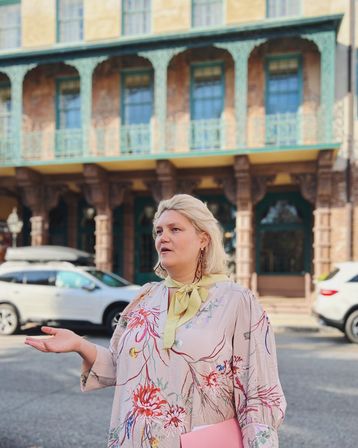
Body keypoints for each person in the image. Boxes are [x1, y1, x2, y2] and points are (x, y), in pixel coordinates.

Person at [25, 194, 286, 448]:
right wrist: (80, 345)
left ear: (203, 239)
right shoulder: (146, 296)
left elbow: (260, 393)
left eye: (175, 229)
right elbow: (119, 367)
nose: (164, 238)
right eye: (159, 231)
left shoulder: (237, 301)